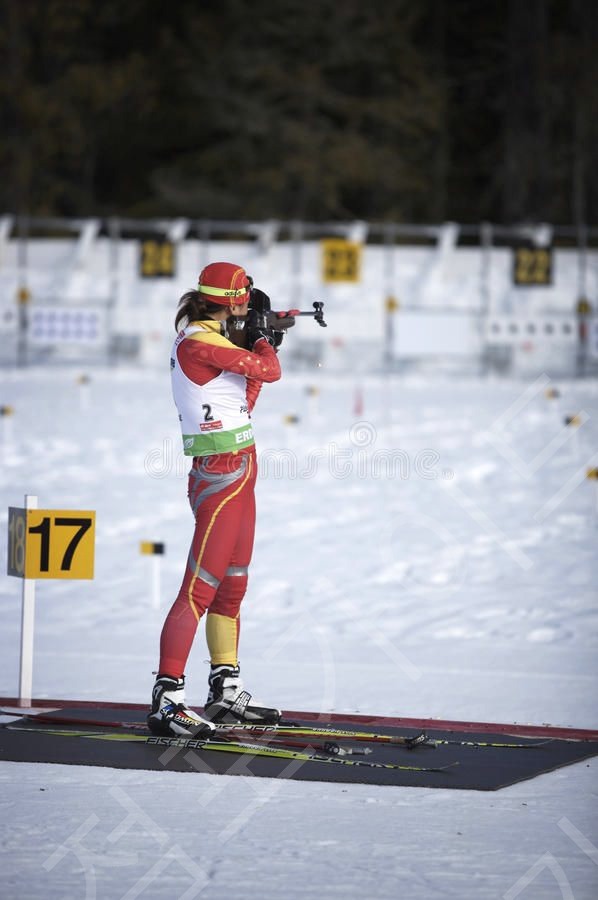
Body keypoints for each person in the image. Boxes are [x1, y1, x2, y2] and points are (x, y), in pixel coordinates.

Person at [148, 261, 286, 737]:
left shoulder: (215, 341)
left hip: (241, 469)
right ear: (227, 302)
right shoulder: (201, 343)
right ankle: (167, 699)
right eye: (244, 297)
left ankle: (225, 691)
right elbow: (271, 369)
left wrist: (253, 336)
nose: (249, 301)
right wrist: (262, 339)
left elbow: (245, 398)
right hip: (221, 474)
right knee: (198, 590)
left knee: (232, 587)